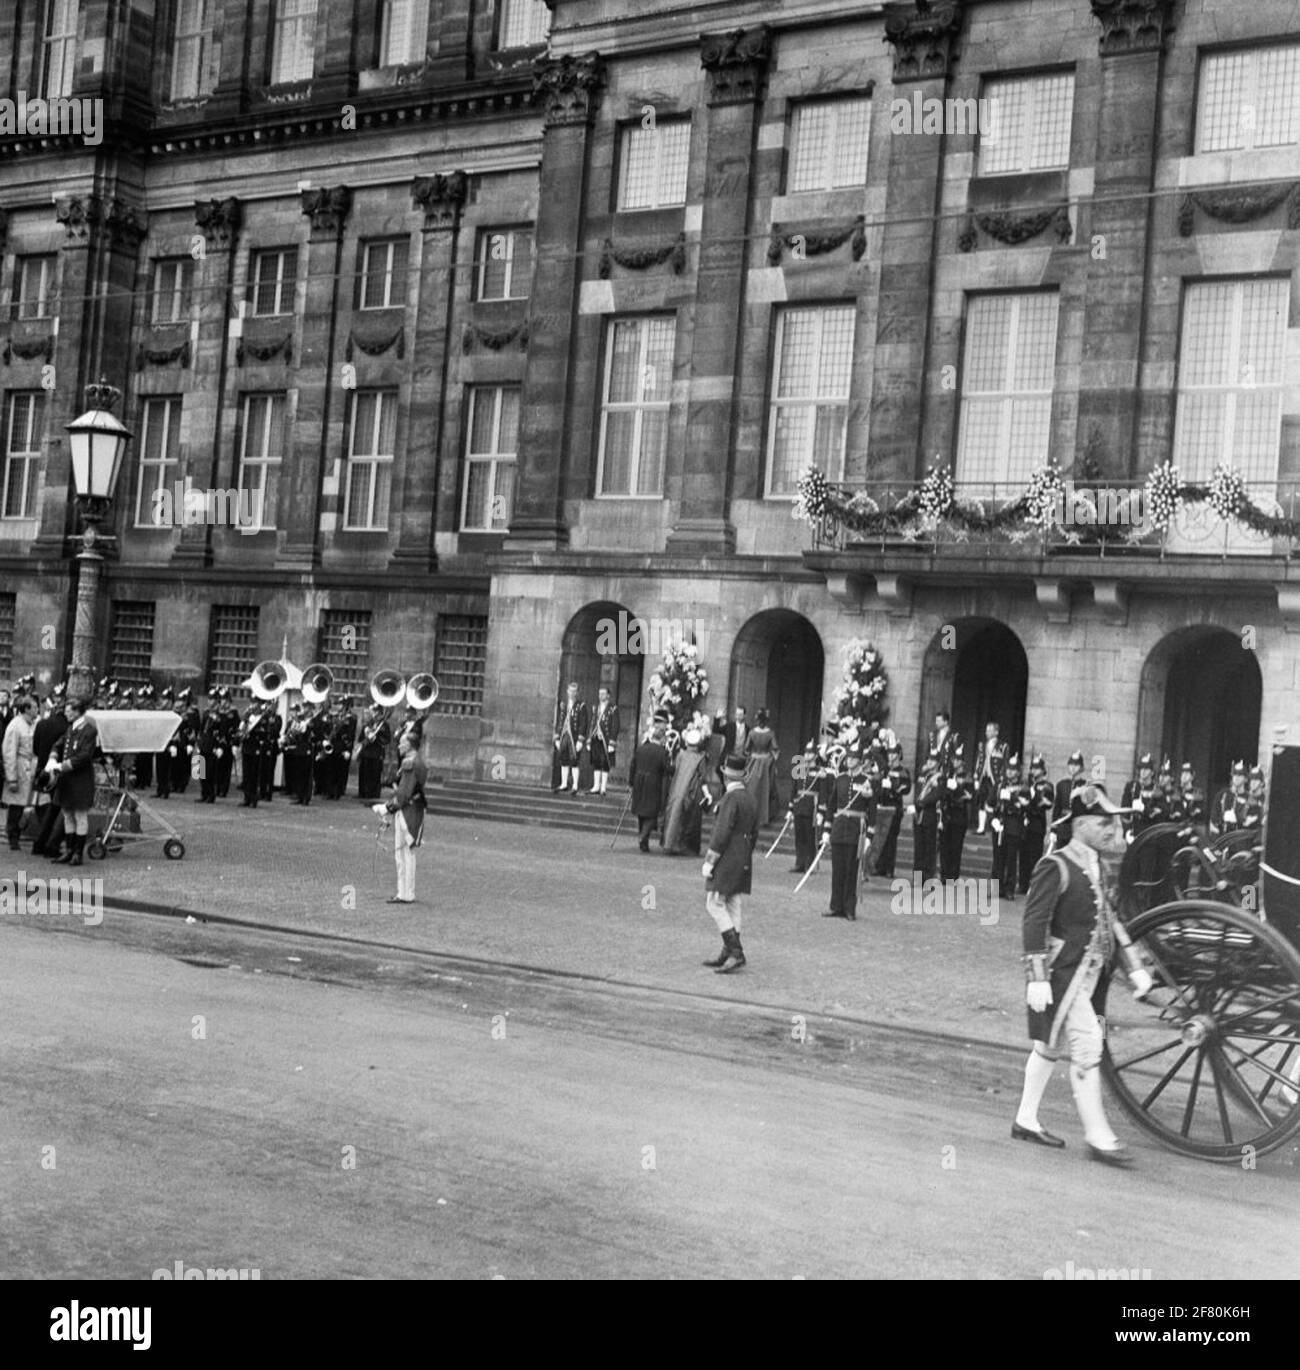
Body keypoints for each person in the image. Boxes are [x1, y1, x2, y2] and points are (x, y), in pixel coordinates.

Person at [1013, 783, 1152, 1166]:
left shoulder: (1098, 866)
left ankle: (1025, 1119)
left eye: (1112, 823)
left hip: (1086, 978)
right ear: (1079, 824)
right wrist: (1037, 976)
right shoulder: (1054, 865)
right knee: (1090, 1041)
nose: (1111, 829)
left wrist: (1135, 967)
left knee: (1049, 1046)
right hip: (1061, 974)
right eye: (1102, 822)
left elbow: (1113, 922)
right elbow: (1033, 922)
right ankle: (1099, 1137)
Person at [700, 754, 758, 974]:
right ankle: (728, 950)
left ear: (725, 777)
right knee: (733, 902)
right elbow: (754, 833)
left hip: (727, 856)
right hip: (742, 854)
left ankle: (735, 951)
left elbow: (721, 832)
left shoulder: (730, 799)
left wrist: (710, 860)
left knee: (714, 902)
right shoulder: (749, 798)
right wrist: (744, 853)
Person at [374, 730, 428, 904]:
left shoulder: (409, 762)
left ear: (409, 745)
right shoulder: (419, 761)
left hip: (407, 811)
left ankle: (404, 893)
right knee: (408, 853)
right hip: (415, 809)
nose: (398, 745)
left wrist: (387, 808)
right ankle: (407, 892)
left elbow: (404, 795)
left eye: (401, 743)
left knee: (402, 854)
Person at [823, 745, 874, 921]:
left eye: (853, 758)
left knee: (851, 871)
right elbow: (831, 805)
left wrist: (869, 836)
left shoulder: (867, 780)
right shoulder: (840, 779)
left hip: (855, 830)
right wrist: (827, 829)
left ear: (860, 760)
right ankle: (835, 906)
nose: (849, 761)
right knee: (837, 870)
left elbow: (872, 810)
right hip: (839, 827)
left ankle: (849, 908)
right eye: (848, 758)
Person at [50, 697, 98, 867]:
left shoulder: (89, 730)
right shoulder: (71, 728)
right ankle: (69, 850)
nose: (66, 713)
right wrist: (53, 757)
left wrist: (63, 765)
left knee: (80, 815)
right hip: (68, 779)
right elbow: (60, 743)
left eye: (69, 710)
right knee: (68, 814)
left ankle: (78, 853)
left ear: (78, 712)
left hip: (80, 779)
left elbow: (84, 756)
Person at [663, 722, 711, 855]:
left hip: (676, 788)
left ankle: (669, 843)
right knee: (688, 819)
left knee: (673, 813)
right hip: (691, 789)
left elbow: (676, 769)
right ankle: (682, 846)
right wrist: (708, 795)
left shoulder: (681, 754)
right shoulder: (700, 758)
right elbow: (703, 777)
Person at [628, 713, 672, 852]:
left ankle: (644, 842)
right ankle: (643, 836)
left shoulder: (641, 749)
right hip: (653, 783)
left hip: (639, 782)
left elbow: (632, 766)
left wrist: (631, 783)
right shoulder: (662, 752)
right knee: (652, 813)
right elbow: (667, 769)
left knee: (642, 812)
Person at [991, 755, 1029, 900]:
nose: (1010, 772)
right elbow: (990, 803)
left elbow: (1024, 805)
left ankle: (1009, 889)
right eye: (1009, 769)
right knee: (997, 858)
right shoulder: (1000, 784)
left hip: (1013, 826)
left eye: (1013, 770)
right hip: (999, 825)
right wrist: (993, 820)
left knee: (1011, 859)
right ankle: (996, 888)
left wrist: (1012, 798)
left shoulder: (1023, 787)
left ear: (1018, 772)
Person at [3, 693, 38, 850]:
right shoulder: (15, 725)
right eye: (35, 707)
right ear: (26, 709)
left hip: (31, 766)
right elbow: (9, 751)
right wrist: (11, 777)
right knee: (16, 805)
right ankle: (13, 836)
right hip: (19, 767)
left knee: (28, 803)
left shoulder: (34, 723)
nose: (38, 710)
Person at [872, 740, 912, 878]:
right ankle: (880, 866)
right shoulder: (886, 770)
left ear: (898, 754)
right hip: (883, 806)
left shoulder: (903, 771)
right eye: (889, 753)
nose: (890, 756)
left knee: (891, 839)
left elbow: (906, 789)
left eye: (893, 753)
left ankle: (889, 868)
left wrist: (894, 788)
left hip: (894, 807)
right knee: (881, 837)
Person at [1021, 755, 1054, 892]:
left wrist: (1033, 798)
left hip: (1037, 823)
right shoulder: (1028, 784)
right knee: (1023, 855)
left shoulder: (1047, 786)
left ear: (1042, 770)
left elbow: (1046, 804)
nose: (1033, 771)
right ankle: (1022, 884)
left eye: (1036, 768)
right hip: (1025, 822)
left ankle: (1033, 885)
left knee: (1034, 856)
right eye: (1032, 768)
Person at [938, 756, 974, 882]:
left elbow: (968, 795)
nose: (955, 762)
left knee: (956, 846)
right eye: (954, 760)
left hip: (959, 814)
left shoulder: (967, 777)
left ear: (962, 762)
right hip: (947, 812)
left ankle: (953, 875)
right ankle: (944, 873)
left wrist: (957, 791)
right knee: (944, 845)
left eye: (958, 760)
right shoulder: (948, 774)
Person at [742, 707, 780, 824]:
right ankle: (765, 817)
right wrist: (773, 759)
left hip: (753, 762)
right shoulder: (770, 733)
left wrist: (749, 757)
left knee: (751, 788)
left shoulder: (752, 733)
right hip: (766, 763)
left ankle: (750, 815)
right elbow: (775, 748)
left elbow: (746, 748)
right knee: (767, 789)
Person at [788, 740, 820, 874]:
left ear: (816, 755)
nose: (807, 756)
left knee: (810, 837)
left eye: (810, 753)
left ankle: (809, 863)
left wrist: (821, 811)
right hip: (799, 805)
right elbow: (794, 789)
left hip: (811, 806)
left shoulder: (820, 771)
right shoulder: (799, 769)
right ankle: (799, 862)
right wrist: (790, 808)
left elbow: (822, 792)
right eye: (806, 753)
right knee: (799, 836)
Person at [553, 681, 588, 795]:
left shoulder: (581, 706)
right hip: (564, 736)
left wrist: (580, 740)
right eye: (570, 691)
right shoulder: (563, 705)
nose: (571, 693)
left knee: (574, 761)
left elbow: (583, 724)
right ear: (567, 692)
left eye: (574, 691)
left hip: (574, 737)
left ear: (577, 693)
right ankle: (563, 784)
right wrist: (557, 737)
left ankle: (575, 785)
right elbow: (560, 721)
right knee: (563, 760)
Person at [974, 721, 1008, 835]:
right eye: (986, 730)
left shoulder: (1003, 746)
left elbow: (1005, 764)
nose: (986, 732)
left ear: (996, 732)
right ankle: (981, 827)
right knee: (981, 801)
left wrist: (1002, 779)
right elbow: (979, 762)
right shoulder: (982, 745)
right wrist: (976, 777)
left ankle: (993, 825)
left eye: (989, 730)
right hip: (984, 777)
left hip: (995, 779)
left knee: (994, 801)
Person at [911, 756, 941, 881]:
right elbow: (917, 791)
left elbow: (936, 795)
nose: (929, 762)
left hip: (929, 815)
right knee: (918, 849)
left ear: (938, 763)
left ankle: (928, 879)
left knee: (929, 850)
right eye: (928, 760)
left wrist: (921, 803)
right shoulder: (922, 776)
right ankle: (917, 879)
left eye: (933, 761)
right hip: (918, 816)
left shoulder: (940, 778)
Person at [355, 703, 392, 802]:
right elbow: (361, 739)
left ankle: (372, 794)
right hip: (366, 752)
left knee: (374, 774)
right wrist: (366, 734)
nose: (373, 714)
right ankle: (362, 792)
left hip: (376, 753)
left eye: (375, 711)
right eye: (373, 711)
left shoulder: (384, 725)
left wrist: (376, 738)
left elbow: (387, 739)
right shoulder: (369, 723)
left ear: (379, 712)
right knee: (363, 773)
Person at [588, 687, 620, 795]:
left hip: (606, 740)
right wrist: (589, 739)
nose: (600, 696)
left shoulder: (613, 708)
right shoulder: (596, 707)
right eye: (599, 693)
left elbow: (615, 726)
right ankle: (596, 786)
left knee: (605, 763)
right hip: (596, 738)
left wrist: (612, 742)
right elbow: (593, 723)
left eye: (603, 694)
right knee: (596, 762)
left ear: (608, 696)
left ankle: (603, 788)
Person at [1052, 750, 1087, 846]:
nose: (1073, 768)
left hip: (1078, 828)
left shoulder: (1086, 786)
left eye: (1076, 765)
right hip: (1063, 827)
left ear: (1081, 767)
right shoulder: (1062, 785)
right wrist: (1053, 830)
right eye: (1071, 765)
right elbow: (1057, 808)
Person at [1210, 760, 1248, 836]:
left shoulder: (1249, 798)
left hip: (1239, 838)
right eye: (1235, 774)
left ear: (1246, 779)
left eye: (1240, 775)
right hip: (1221, 837)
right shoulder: (1221, 794)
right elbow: (1213, 819)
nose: (1237, 777)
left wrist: (1237, 819)